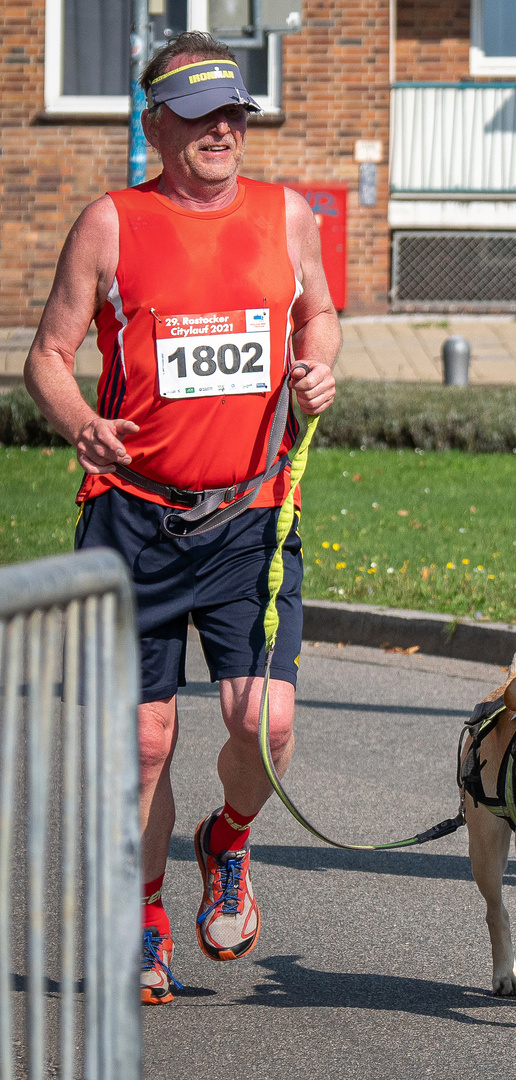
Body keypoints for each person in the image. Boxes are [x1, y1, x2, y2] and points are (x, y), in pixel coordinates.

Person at [23, 32, 339, 1003]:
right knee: (145, 739)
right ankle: (150, 914)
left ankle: (227, 842)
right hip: (132, 521)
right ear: (156, 123)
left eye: (235, 112)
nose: (224, 130)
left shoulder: (287, 216)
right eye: (202, 114)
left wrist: (321, 363)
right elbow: (46, 354)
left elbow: (319, 313)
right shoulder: (112, 223)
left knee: (269, 720)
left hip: (251, 516)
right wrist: (82, 422)